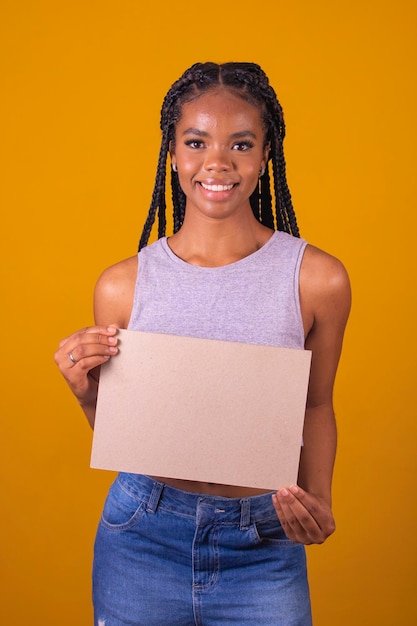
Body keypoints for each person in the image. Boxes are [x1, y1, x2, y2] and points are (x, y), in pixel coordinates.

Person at [54, 62, 351, 626]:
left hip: (264, 537)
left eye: (241, 143)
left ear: (265, 157)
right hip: (143, 532)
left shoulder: (317, 279)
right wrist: (86, 393)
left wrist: (319, 499)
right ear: (172, 152)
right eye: (196, 141)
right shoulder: (123, 285)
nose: (217, 162)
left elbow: (315, 404)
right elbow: (139, 439)